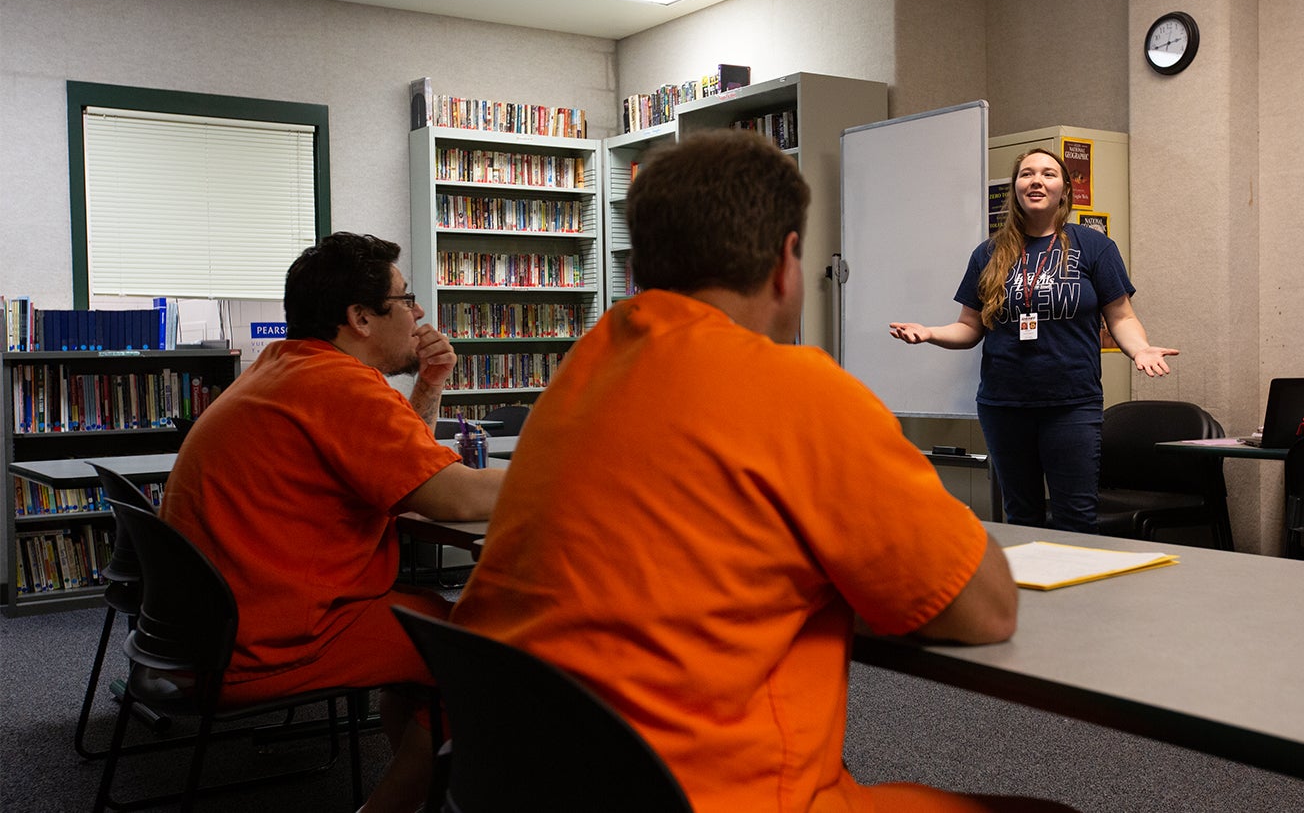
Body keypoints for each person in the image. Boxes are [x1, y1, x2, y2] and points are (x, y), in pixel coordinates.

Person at [452, 130, 1071, 813]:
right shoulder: (796, 389)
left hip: (532, 782)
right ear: (785, 264)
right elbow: (984, 610)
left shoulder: (583, 372)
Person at [161, 232, 506, 813]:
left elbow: (400, 469)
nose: (419, 312)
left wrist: (428, 386)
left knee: (428, 627)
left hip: (214, 625)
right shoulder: (338, 386)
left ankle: (422, 785)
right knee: (483, 656)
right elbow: (450, 498)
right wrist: (573, 469)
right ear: (360, 318)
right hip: (272, 638)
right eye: (406, 298)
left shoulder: (285, 365)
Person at [890, 148, 1177, 533]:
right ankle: (1029, 594)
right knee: (1020, 516)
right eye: (1027, 174)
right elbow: (969, 327)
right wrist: (929, 334)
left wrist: (1140, 349)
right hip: (1004, 405)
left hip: (1072, 404)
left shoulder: (1094, 248)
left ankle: (1078, 594)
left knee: (1075, 516)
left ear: (1064, 191)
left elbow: (1121, 316)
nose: (1036, 181)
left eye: (1047, 174)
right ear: (1016, 189)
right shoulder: (989, 254)